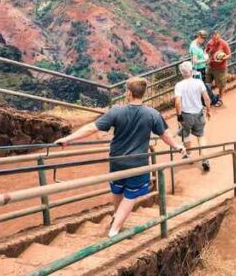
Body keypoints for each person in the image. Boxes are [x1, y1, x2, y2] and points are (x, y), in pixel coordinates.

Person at [54, 77, 187, 237]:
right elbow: (165, 134)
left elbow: (91, 128)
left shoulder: (117, 111)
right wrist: (177, 146)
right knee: (130, 195)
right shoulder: (152, 114)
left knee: (118, 191)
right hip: (138, 163)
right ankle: (115, 229)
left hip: (116, 160)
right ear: (142, 93)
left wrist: (67, 139)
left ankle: (116, 217)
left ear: (129, 93)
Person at [174, 62, 212, 172]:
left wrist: (179, 115)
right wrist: (208, 111)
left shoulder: (179, 85)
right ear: (191, 71)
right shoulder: (199, 82)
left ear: (181, 73)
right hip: (198, 113)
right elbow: (207, 98)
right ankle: (205, 159)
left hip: (186, 114)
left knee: (186, 135)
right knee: (201, 136)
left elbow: (177, 102)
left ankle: (189, 155)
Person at [204, 30, 231, 107]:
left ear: (219, 37)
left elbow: (229, 55)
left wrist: (223, 58)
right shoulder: (209, 43)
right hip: (211, 67)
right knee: (207, 83)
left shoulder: (224, 44)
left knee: (221, 85)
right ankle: (210, 98)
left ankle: (220, 99)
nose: (216, 40)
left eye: (218, 38)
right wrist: (206, 58)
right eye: (214, 38)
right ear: (212, 38)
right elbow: (206, 51)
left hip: (220, 68)